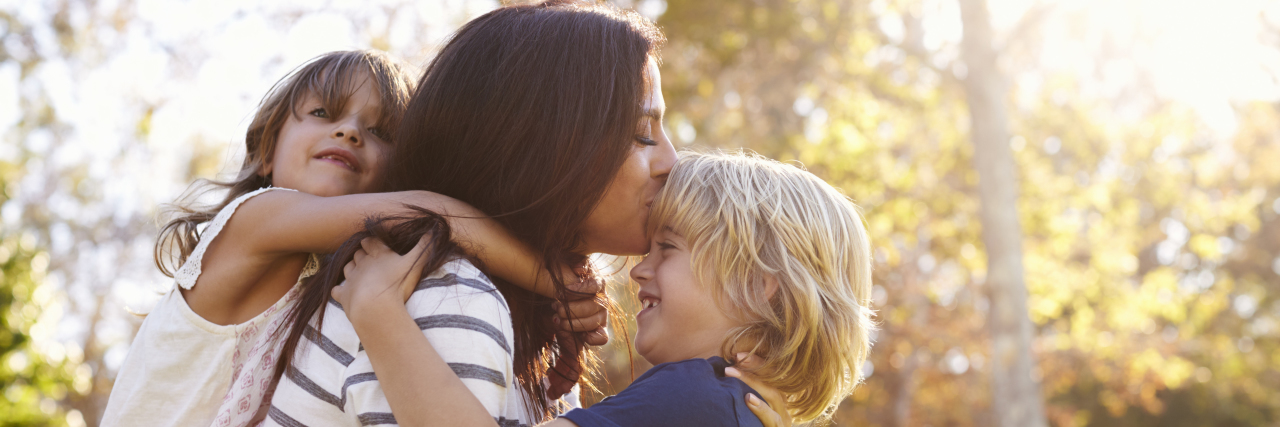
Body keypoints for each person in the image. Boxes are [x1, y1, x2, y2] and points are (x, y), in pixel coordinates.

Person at [101, 50, 607, 427]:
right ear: (265, 153)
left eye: (380, 131)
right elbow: (437, 213)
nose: (348, 133)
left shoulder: (331, 277)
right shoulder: (252, 219)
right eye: (324, 114)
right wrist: (558, 282)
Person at [263, 2, 679, 426]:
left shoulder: (508, 311)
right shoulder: (449, 298)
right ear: (539, 144)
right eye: (643, 134)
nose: (672, 162)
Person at [343, 151, 876, 427]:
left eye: (668, 248)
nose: (639, 271)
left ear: (761, 289)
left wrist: (378, 311)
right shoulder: (727, 407)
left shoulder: (695, 397)